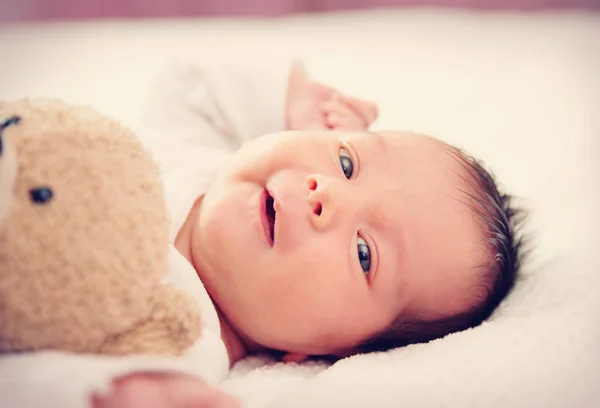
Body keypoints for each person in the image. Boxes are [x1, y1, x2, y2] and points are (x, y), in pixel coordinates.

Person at [1, 59, 523, 408]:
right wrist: (297, 98)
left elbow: (31, 376)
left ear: (328, 352)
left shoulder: (184, 344)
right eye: (346, 159)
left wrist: (133, 393)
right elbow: (190, 80)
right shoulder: (194, 153)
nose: (326, 195)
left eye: (365, 254)